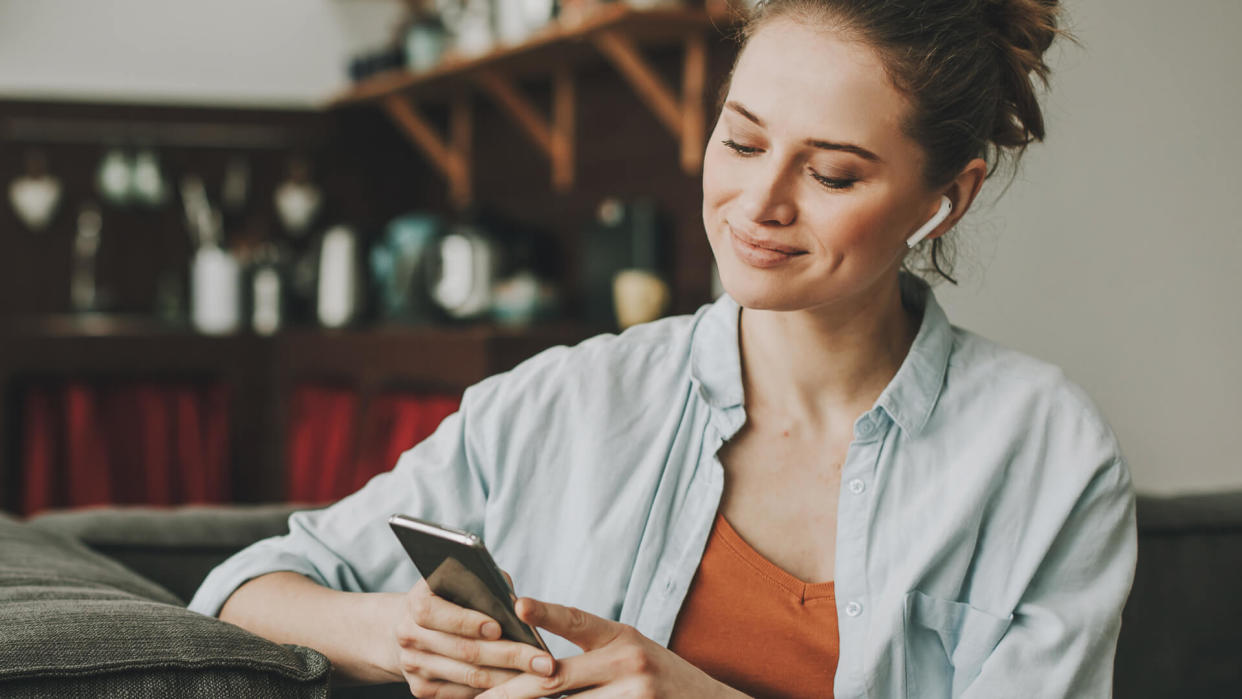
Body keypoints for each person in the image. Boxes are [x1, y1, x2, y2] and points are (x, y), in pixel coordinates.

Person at [189, 1, 1137, 696]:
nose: (760, 204)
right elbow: (240, 592)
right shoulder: (565, 401)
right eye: (740, 141)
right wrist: (402, 631)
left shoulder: (1042, 451)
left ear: (947, 200)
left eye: (833, 172)